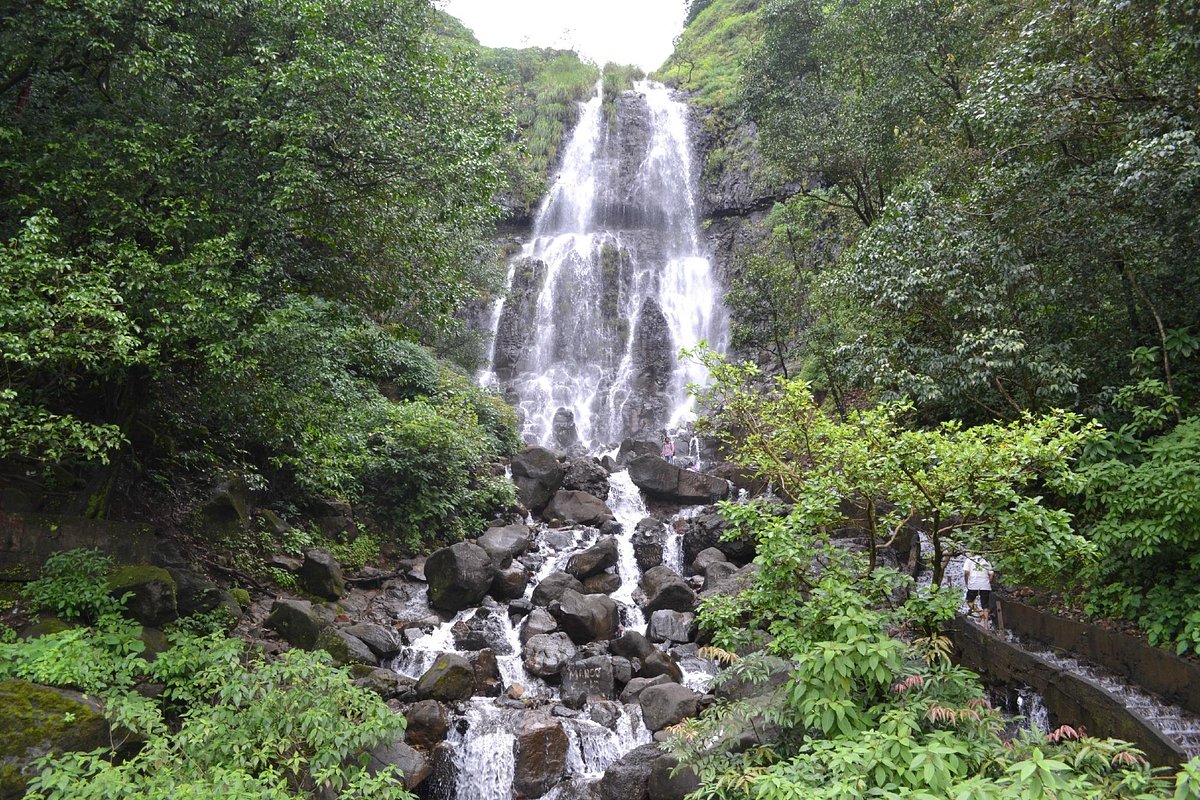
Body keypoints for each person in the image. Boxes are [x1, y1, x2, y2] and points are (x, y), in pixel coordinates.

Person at [962, 553, 995, 627]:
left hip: (973, 584)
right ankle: (986, 627)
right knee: (985, 606)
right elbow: (992, 574)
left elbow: (966, 572)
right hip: (985, 585)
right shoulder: (986, 561)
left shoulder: (969, 559)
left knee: (969, 601)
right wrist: (988, 582)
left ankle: (979, 612)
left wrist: (966, 582)